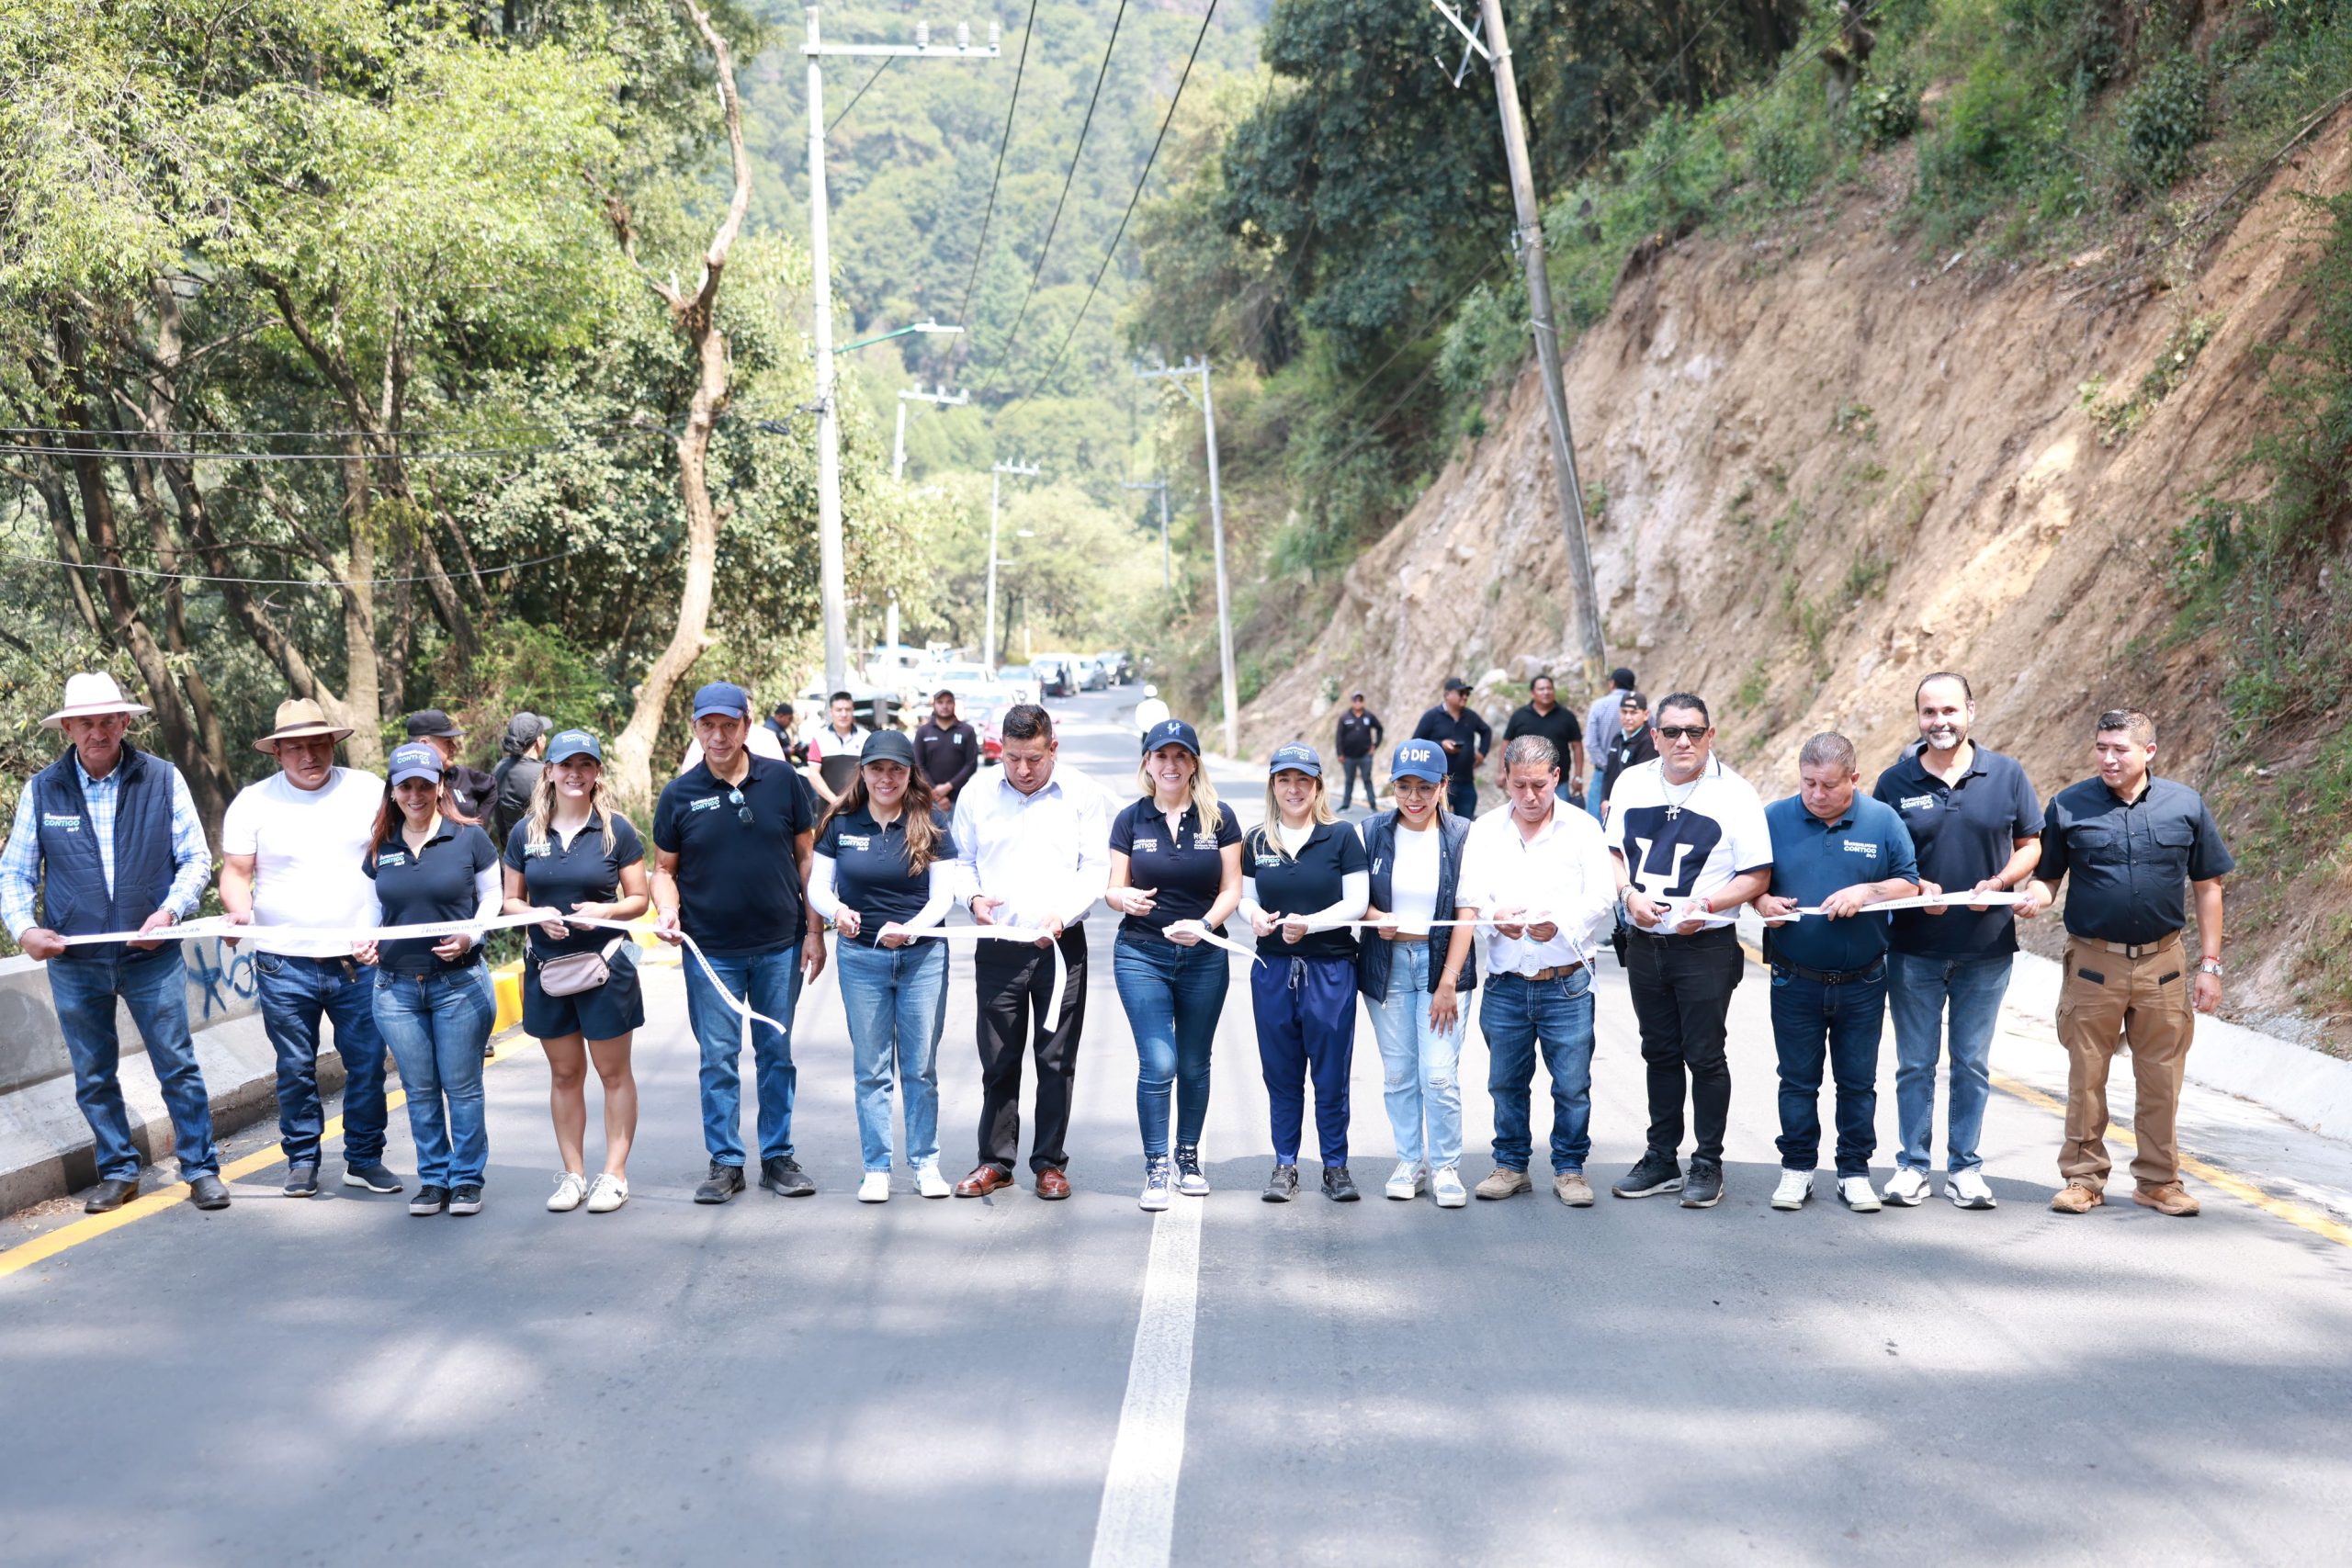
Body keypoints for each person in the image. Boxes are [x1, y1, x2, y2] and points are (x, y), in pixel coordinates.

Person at [0, 673, 226, 1214]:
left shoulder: (163, 779)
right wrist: (23, 929)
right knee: (94, 1072)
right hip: (75, 961)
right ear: (69, 729)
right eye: (86, 723)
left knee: (177, 1064)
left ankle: (200, 1168)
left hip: (152, 956)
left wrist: (169, 912)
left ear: (126, 721)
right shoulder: (43, 789)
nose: (98, 732)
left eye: (108, 720)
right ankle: (119, 1171)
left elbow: (196, 858)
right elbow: (15, 873)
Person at [2018, 708, 2233, 1218]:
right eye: (2101, 748)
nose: (2109, 759)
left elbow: (2208, 887)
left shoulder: (2185, 805)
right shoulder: (2068, 806)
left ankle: (2159, 1181)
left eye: (2120, 750)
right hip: (2094, 964)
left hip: (2164, 963)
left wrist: (2211, 964)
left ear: (2149, 752)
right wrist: (2033, 897)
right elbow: (2048, 879)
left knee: (2161, 1076)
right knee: (2086, 1074)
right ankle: (2083, 1178)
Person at [1871, 672, 2043, 1209]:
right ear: (1918, 717)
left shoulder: (2007, 774)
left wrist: (2001, 882)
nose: (1939, 722)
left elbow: (2031, 843)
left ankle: (1966, 1168)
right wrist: (1918, 886)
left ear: (1970, 709)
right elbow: (1880, 858)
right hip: (1913, 949)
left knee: (1970, 1062)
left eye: (1949, 711)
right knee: (1915, 1064)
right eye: (1929, 713)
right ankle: (1912, 1167)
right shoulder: (1894, 782)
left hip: (1987, 949)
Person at [652, 682, 825, 1204]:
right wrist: (667, 908)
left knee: (776, 1053)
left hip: (779, 945)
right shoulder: (679, 794)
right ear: (697, 729)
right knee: (718, 1057)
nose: (720, 736)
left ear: (748, 727)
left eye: (730, 725)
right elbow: (663, 869)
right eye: (709, 726)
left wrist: (815, 931)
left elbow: (807, 861)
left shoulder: (784, 782)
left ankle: (777, 1158)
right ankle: (726, 1162)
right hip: (710, 953)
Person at [221, 698, 399, 1200]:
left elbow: (394, 860)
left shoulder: (368, 791)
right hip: (283, 960)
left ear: (333, 744)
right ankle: (301, 1159)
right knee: (295, 1066)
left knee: (366, 1062)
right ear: (277, 753)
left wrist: (381, 930)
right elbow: (236, 876)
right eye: (295, 747)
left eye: (317, 744)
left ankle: (364, 1158)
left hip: (358, 959)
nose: (308, 756)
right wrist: (237, 914)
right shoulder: (253, 803)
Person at [1607, 693, 1772, 1210]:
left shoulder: (1737, 794)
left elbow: (1757, 875)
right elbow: (1613, 853)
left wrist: (1708, 904)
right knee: (1657, 1051)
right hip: (1644, 943)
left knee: (1703, 1054)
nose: (1684, 741)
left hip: (1705, 945)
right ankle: (1661, 1156)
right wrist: (1629, 896)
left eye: (1694, 731)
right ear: (1654, 735)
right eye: (1672, 731)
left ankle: (1707, 1162)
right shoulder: (1632, 781)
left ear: (1711, 734)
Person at [948, 703, 1111, 1199]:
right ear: (1000, 750)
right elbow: (961, 862)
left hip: (1061, 946)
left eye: (1034, 759)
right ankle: (995, 1161)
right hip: (999, 943)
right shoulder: (977, 793)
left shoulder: (1081, 794)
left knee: (1055, 1059)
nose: (1022, 770)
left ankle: (1049, 1163)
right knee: (998, 1059)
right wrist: (973, 898)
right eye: (1013, 758)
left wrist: (1062, 913)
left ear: (1052, 749)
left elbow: (1096, 867)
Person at [1756, 734, 1921, 1214]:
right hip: (1794, 977)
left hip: (1863, 982)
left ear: (1854, 778)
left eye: (1828, 785)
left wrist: (1866, 892)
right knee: (1797, 1080)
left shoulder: (1881, 819)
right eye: (1808, 783)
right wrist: (1763, 902)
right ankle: (1797, 1170)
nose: (1816, 794)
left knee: (1857, 1082)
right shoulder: (1774, 818)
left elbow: (1909, 885)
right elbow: (1752, 882)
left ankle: (1853, 1172)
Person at [1456, 736, 1619, 1208]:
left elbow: (1603, 894)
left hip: (1566, 982)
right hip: (1506, 983)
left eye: (1540, 786)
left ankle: (1569, 1169)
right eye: (1519, 785)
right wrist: (1494, 916)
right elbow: (1470, 895)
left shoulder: (1584, 828)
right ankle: (1510, 1165)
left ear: (1557, 780)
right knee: (1505, 1082)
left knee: (1571, 1084)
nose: (1529, 796)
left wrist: (1563, 924)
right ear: (1504, 778)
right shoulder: (1484, 830)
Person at [501, 729, 649, 1216]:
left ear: (597, 773)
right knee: (564, 1074)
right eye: (566, 765)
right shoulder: (526, 833)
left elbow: (638, 899)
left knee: (612, 1073)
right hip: (548, 970)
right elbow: (510, 899)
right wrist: (533, 915)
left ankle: (615, 1175)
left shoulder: (616, 830)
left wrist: (604, 913)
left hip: (605, 967)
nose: (575, 774)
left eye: (585, 765)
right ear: (549, 771)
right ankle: (573, 1175)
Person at [808, 729, 954, 1203]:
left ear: (910, 773)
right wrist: (836, 912)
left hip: (922, 958)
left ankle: (926, 1163)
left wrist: (911, 928)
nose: (886, 778)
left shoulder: (930, 820)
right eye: (877, 769)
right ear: (863, 772)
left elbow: (944, 896)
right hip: (862, 959)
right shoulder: (841, 822)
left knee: (920, 1067)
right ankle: (875, 1167)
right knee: (871, 1069)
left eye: (896, 769)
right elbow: (818, 888)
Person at [1107, 717, 1243, 1211]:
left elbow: (1233, 889)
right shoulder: (1130, 820)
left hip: (1206, 955)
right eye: (1161, 755)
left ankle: (1188, 1156)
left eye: (1180, 756)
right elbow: (1112, 888)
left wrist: (1205, 924)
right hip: (1141, 952)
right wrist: (1124, 900)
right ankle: (1156, 1165)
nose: (1171, 764)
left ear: (1193, 764)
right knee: (1159, 1062)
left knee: (1193, 1062)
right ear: (1147, 762)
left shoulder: (1219, 818)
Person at [360, 744, 501, 1218]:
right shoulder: (381, 846)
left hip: (458, 984)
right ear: (394, 792)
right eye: (406, 786)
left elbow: (492, 900)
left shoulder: (469, 839)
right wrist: (364, 940)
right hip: (395, 988)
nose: (416, 794)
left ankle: (465, 1180)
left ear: (441, 787)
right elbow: (370, 910)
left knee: (461, 1086)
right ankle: (433, 1178)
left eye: (425, 784)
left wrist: (470, 935)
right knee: (419, 1089)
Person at [1240, 744, 1369, 1202]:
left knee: (1331, 1074)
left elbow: (1356, 901)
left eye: (1303, 781)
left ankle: (1335, 1166)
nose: (1293, 790)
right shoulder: (1258, 839)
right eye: (1284, 780)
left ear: (1317, 786)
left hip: (1330, 969)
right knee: (1281, 1072)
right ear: (1273, 786)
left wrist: (1309, 924)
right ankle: (1285, 1164)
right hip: (1272, 970)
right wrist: (1251, 915)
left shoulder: (1341, 836)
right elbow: (1245, 897)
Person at [1357, 739, 1479, 1206]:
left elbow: (1467, 911)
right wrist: (1374, 917)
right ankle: (1411, 1161)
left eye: (1425, 787)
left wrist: (1447, 981)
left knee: (1439, 1074)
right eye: (1404, 786)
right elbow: (1353, 896)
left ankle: (1446, 1166)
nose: (1413, 797)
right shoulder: (1370, 832)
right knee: (1399, 1074)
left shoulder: (1462, 835)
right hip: (1386, 966)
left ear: (1443, 786)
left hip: (1441, 965)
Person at [1412, 677, 1491, 819]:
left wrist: (1482, 753)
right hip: (1438, 783)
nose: (1465, 696)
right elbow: (1416, 743)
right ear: (1447, 695)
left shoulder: (1471, 716)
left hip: (1466, 782)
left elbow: (1486, 731)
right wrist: (1440, 744)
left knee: (1466, 826)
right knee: (1436, 825)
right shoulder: (1432, 716)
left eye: (1467, 693)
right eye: (1461, 693)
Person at [1500, 675, 1583, 803]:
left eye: (1549, 688)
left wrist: (1578, 776)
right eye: (1541, 689)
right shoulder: (1519, 716)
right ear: (1532, 693)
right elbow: (1506, 744)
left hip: (1558, 782)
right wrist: (1502, 771)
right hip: (1525, 784)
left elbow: (1577, 746)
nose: (1546, 692)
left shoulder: (1567, 716)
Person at [405, 709, 495, 826]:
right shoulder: (400, 784)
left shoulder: (460, 775)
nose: (454, 747)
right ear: (423, 744)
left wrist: (479, 831)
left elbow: (491, 786)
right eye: (447, 742)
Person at [1584, 667, 1636, 820]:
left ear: (1612, 683)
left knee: (1596, 824)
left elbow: (1591, 743)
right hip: (1633, 776)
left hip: (1603, 773)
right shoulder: (1641, 707)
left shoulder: (1599, 706)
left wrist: (1609, 767)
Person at [490, 711, 547, 848]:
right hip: (541, 850)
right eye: (543, 734)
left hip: (512, 849)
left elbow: (498, 818)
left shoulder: (499, 768)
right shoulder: (545, 774)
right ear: (539, 741)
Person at [914, 688, 980, 807]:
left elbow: (971, 764)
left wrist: (948, 787)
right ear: (934, 705)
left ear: (954, 704)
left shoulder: (967, 731)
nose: (945, 706)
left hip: (960, 798)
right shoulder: (923, 732)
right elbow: (918, 765)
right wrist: (935, 793)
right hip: (930, 799)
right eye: (940, 702)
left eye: (949, 702)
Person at [806, 690, 871, 807]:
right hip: (828, 809)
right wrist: (835, 800)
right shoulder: (819, 738)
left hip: (861, 807)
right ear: (831, 712)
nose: (843, 714)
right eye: (839, 710)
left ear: (853, 710)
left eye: (847, 709)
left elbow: (872, 771)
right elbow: (813, 774)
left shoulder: (866, 737)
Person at [1600, 690, 1657, 817]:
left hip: (1633, 810)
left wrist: (1618, 804)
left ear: (1646, 714)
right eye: (1624, 712)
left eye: (1633, 713)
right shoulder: (1618, 738)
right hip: (1610, 807)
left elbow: (1642, 782)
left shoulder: (1649, 742)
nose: (1628, 717)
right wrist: (1604, 799)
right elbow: (1608, 773)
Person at [1334, 692, 1385, 811]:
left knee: (1367, 779)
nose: (1358, 703)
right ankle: (1346, 805)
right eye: (1356, 700)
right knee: (1349, 780)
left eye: (1360, 700)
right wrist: (1340, 753)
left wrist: (1375, 745)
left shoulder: (1369, 716)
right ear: (1352, 702)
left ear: (1363, 702)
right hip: (1348, 756)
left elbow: (1380, 729)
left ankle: (1373, 805)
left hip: (1365, 755)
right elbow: (1339, 737)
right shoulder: (1344, 717)